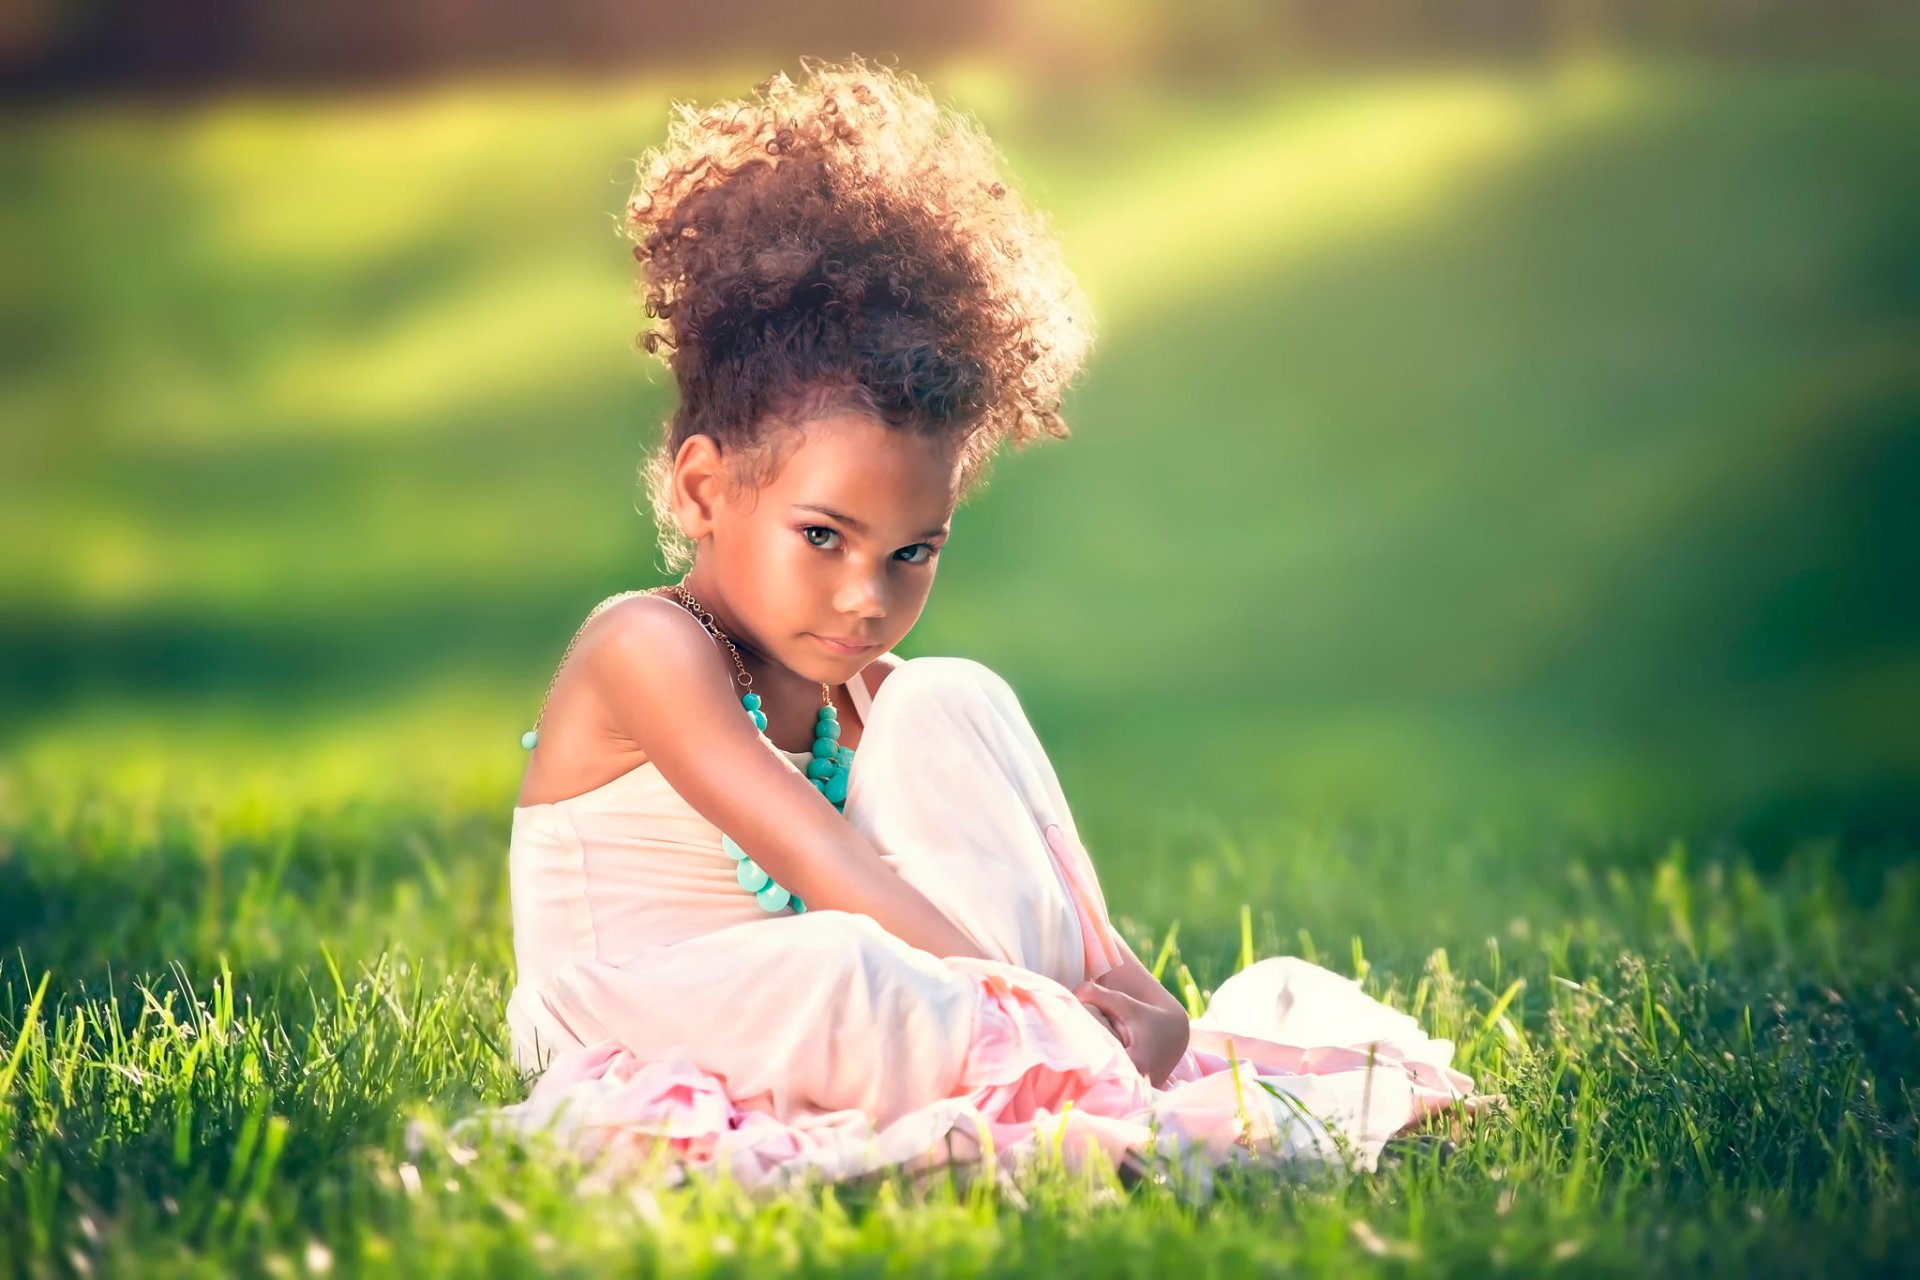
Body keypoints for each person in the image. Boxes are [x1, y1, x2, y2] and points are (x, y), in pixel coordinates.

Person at [482, 56, 1474, 1196]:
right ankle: (1042, 1042)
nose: (867, 595)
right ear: (706, 491)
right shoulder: (640, 647)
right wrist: (1026, 997)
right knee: (846, 962)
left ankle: (1065, 1038)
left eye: (913, 553)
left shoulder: (866, 679)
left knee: (953, 698)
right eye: (823, 537)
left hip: (869, 985)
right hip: (652, 1006)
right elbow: (820, 858)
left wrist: (1134, 988)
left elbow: (971, 855)